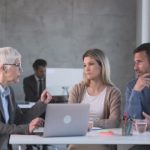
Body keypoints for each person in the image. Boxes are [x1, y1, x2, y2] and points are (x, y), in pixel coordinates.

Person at [68, 49, 121, 150]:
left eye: (91, 64)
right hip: (78, 138)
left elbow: (114, 122)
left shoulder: (113, 92)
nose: (87, 69)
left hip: (102, 140)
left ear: (102, 66)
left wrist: (92, 124)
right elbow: (69, 118)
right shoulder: (77, 89)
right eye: (84, 65)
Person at [0, 47, 52, 150]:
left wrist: (41, 103)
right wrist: (26, 128)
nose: (21, 70)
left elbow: (20, 119)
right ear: (3, 68)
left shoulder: (9, 92)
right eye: (18, 65)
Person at [124, 43, 150, 150]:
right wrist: (136, 90)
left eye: (139, 62)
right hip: (144, 144)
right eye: (135, 62)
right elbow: (128, 125)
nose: (135, 67)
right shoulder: (132, 86)